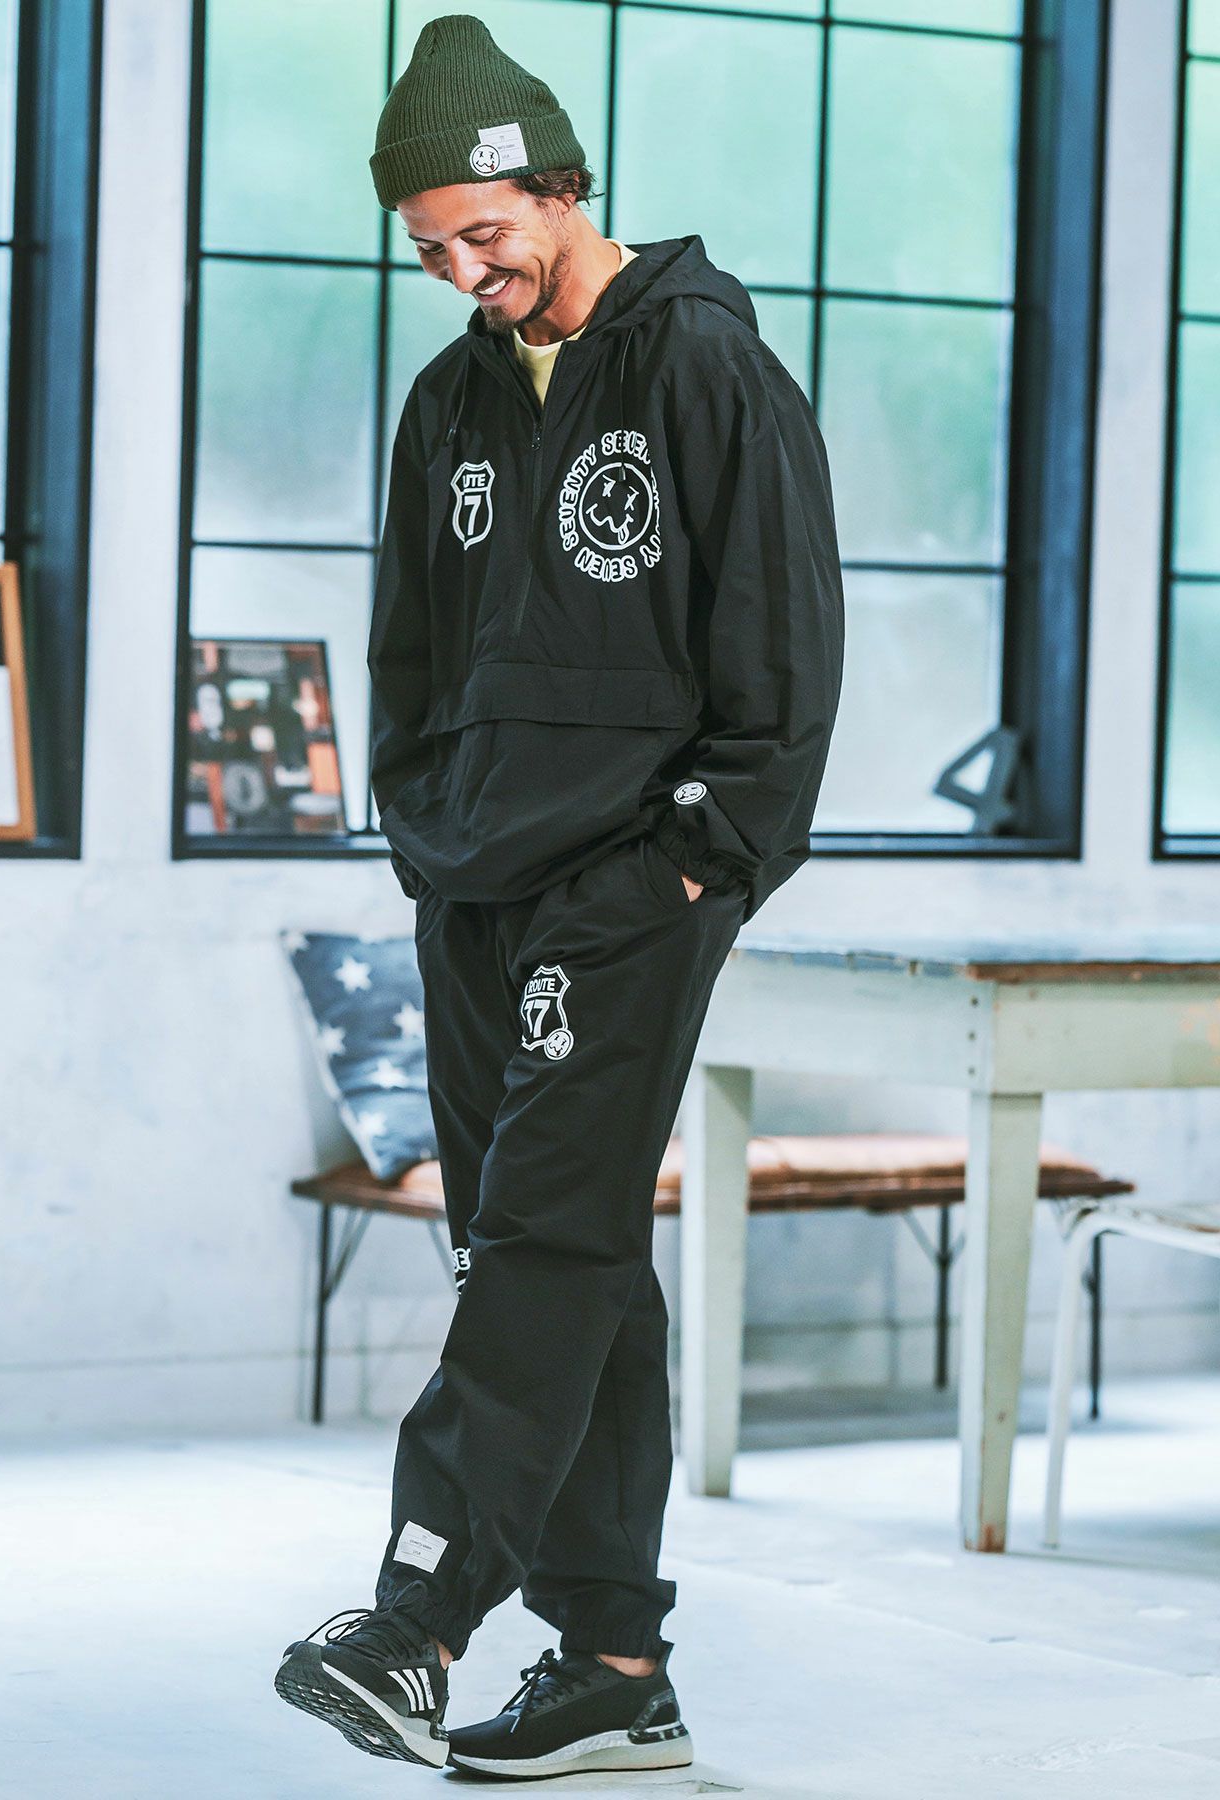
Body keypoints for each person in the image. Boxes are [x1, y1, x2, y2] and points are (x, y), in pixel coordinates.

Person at [274, 12, 844, 1779]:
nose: (464, 271)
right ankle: (611, 1666)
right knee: (555, 1250)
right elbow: (409, 647)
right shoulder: (451, 399)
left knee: (545, 1236)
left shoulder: (706, 369)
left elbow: (784, 646)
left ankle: (419, 1616)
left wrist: (702, 853)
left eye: (483, 231)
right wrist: (422, 829)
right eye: (430, 248)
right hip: (473, 884)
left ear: (560, 184)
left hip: (635, 878)